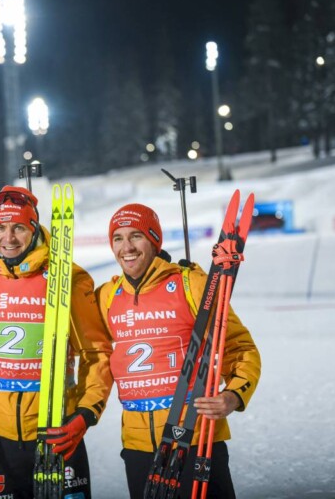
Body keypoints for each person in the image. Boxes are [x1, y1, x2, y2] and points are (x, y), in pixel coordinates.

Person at [0, 185, 113, 498]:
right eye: (0, 228)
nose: (9, 238)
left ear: (34, 229)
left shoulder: (67, 278)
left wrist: (86, 413)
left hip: (56, 427)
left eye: (19, 228)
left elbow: (96, 353)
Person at [95, 203, 262, 499]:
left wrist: (234, 395)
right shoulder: (107, 296)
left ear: (154, 241)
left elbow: (239, 347)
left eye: (136, 236)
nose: (126, 247)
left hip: (195, 438)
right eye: (118, 238)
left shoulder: (190, 284)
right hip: (137, 446)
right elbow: (92, 353)